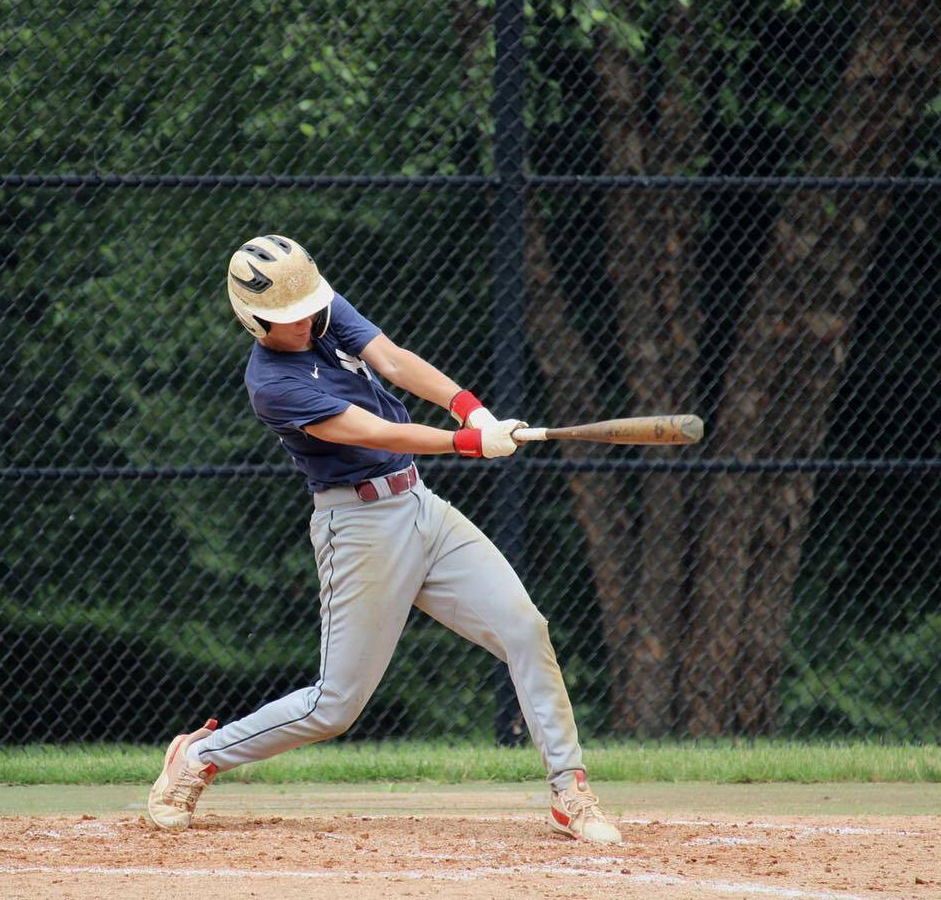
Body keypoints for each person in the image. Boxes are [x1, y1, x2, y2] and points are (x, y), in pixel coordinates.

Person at [146, 234, 622, 845]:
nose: (310, 321)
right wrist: (468, 443)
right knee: (334, 708)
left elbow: (393, 360)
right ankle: (199, 756)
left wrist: (467, 407)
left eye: (311, 307)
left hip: (419, 504)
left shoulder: (319, 308)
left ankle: (569, 791)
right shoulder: (272, 384)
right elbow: (373, 432)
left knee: (525, 629)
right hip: (359, 527)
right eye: (291, 319)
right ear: (256, 320)